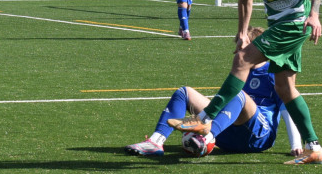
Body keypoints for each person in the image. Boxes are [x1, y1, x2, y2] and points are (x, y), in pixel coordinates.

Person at [170, 0, 322, 165]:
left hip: (296, 22)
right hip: (278, 24)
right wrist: (242, 32)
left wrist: (314, 15)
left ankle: (205, 117)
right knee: (284, 89)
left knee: (242, 60)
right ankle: (314, 147)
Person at [126, 48, 303, 157]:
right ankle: (156, 142)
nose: (238, 50)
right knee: (184, 92)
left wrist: (296, 145)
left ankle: (205, 137)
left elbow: (288, 111)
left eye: (244, 46)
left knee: (237, 95)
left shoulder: (273, 74)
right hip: (228, 135)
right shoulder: (242, 70)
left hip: (258, 137)